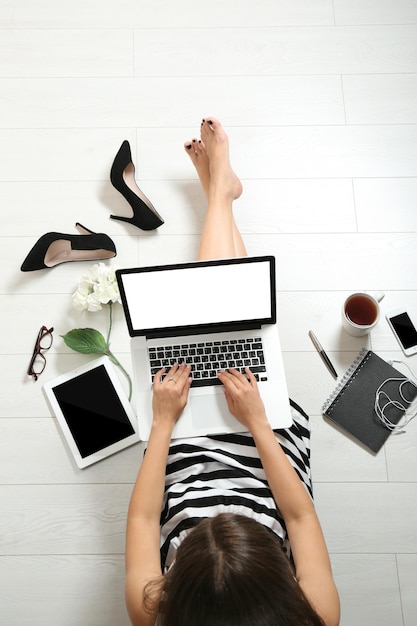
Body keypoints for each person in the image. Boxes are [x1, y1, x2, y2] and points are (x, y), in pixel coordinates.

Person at [124, 117, 340, 626]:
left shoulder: (151, 611)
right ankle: (220, 194)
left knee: (220, 340)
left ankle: (220, 194)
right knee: (229, 344)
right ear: (282, 583)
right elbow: (299, 515)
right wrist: (259, 423)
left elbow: (142, 517)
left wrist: (161, 424)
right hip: (270, 462)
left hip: (181, 453)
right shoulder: (317, 615)